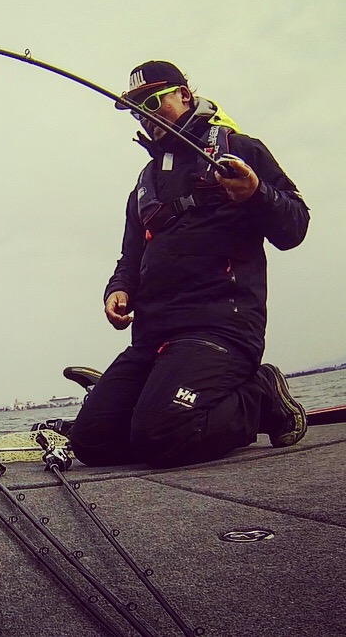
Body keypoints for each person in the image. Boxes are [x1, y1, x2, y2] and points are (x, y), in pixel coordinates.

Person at [68, 61, 310, 468]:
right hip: (152, 337)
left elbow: (295, 227)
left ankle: (261, 393)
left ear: (184, 94)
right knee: (90, 443)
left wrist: (255, 193)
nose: (144, 113)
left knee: (162, 436)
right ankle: (152, 403)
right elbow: (130, 257)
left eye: (152, 100)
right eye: (136, 108)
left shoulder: (241, 149)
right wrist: (118, 289)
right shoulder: (144, 184)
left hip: (220, 329)